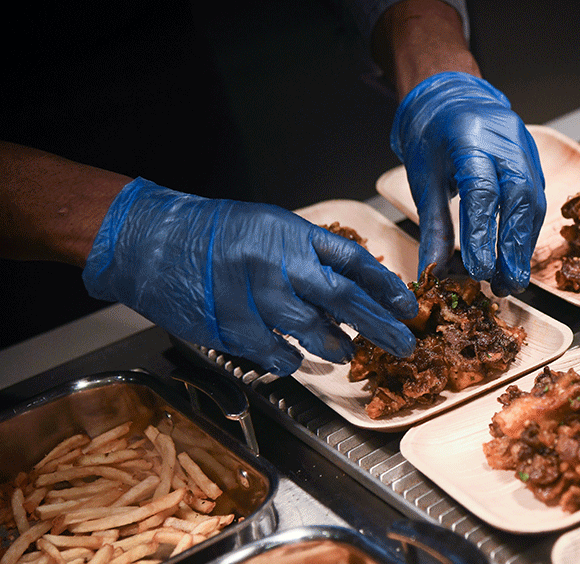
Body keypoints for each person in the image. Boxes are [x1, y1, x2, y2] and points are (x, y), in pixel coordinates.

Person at [0, 0, 546, 377]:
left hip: (162, 83)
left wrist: (439, 68)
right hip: (23, 264)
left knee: (267, 292)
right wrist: (127, 231)